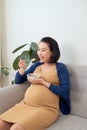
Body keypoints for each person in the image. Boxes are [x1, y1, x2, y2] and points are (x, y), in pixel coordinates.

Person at [0, 37, 71, 130]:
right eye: (38, 50)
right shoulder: (37, 65)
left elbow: (65, 93)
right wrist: (22, 70)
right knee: (1, 123)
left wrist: (43, 82)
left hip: (46, 109)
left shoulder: (61, 68)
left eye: (43, 50)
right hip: (26, 104)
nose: (39, 53)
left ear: (52, 52)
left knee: (16, 128)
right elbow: (18, 81)